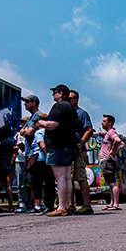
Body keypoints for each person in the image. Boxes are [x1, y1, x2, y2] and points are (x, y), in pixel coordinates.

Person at [37, 84, 78, 216]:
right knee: (66, 177)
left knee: (59, 178)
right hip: (69, 145)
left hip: (58, 146)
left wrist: (41, 122)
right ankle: (68, 205)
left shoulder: (59, 106)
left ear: (60, 93)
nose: (53, 94)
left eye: (55, 92)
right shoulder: (71, 108)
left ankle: (61, 207)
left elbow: (52, 125)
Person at [69, 90, 94, 215]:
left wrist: (80, 144)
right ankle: (70, 204)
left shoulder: (81, 113)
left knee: (80, 177)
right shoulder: (67, 114)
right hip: (68, 149)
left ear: (76, 99)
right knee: (69, 178)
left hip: (78, 150)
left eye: (70, 98)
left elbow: (89, 131)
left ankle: (87, 205)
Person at [17, 95, 42, 213]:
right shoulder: (30, 118)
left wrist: (23, 131)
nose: (25, 104)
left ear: (34, 103)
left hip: (34, 154)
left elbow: (29, 132)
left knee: (35, 181)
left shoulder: (37, 116)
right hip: (29, 153)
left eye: (27, 102)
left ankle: (39, 205)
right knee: (30, 182)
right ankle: (36, 204)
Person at [28, 114, 55, 215]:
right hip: (50, 160)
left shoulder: (39, 132)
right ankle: (50, 205)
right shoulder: (51, 131)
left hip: (40, 160)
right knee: (49, 184)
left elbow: (42, 145)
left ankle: (38, 206)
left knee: (37, 184)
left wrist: (47, 156)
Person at [100, 114, 124, 211]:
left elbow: (118, 141)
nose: (102, 123)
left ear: (110, 123)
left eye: (104, 121)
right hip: (106, 160)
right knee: (110, 183)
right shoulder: (108, 133)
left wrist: (113, 150)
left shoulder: (111, 132)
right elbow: (121, 144)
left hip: (108, 160)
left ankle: (116, 204)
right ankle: (112, 203)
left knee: (113, 183)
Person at [0, 126, 18, 212]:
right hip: (8, 164)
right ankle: (10, 206)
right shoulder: (9, 142)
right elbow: (10, 152)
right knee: (8, 185)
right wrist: (15, 151)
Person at [14, 117, 28, 213]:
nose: (21, 125)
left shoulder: (30, 134)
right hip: (19, 160)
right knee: (21, 183)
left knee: (32, 182)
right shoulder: (18, 135)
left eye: (23, 123)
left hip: (28, 159)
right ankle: (22, 203)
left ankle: (37, 203)